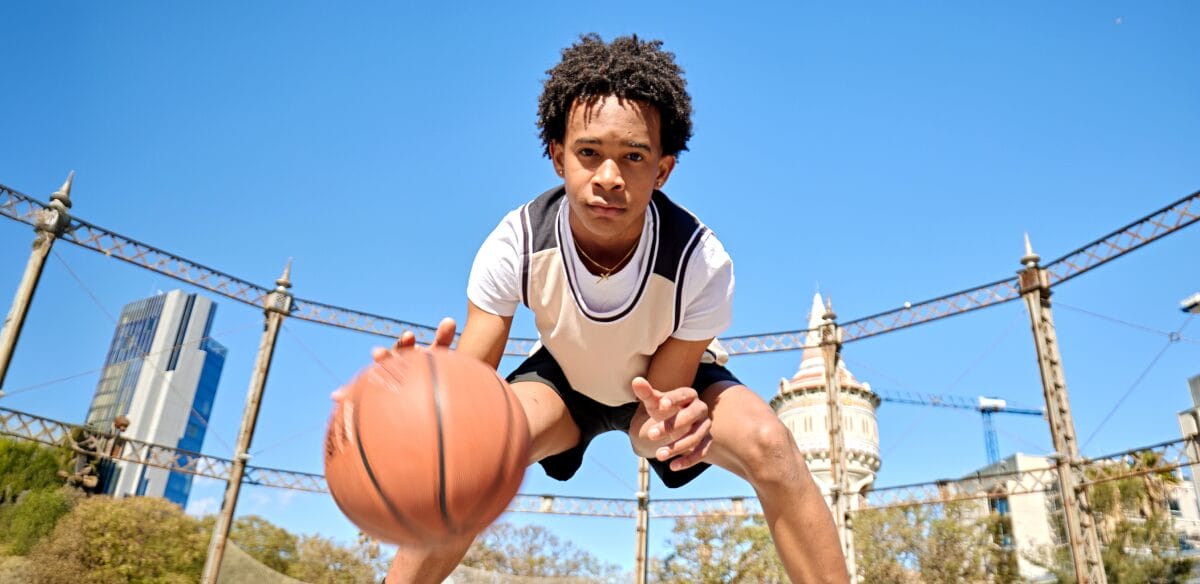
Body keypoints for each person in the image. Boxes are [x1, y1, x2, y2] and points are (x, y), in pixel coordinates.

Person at [375, 34, 848, 583]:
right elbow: (471, 394)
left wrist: (672, 432)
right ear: (557, 156)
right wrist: (432, 402)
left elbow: (651, 420)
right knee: (479, 457)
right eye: (589, 152)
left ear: (663, 170)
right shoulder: (516, 242)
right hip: (564, 384)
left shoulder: (700, 261)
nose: (609, 177)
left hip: (660, 386)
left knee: (772, 446)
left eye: (634, 157)